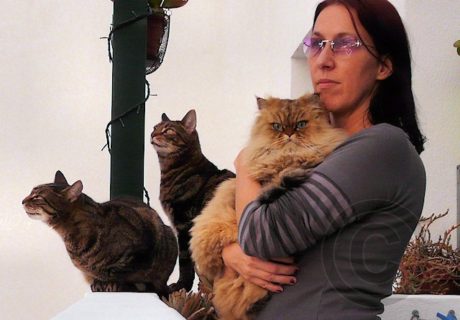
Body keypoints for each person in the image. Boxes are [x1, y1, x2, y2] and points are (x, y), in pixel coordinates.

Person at [222, 0, 426, 319]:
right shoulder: (331, 156)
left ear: (384, 66)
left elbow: (262, 237)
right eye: (316, 43)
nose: (323, 60)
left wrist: (246, 165)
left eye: (345, 44)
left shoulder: (383, 147)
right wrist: (231, 254)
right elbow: (251, 241)